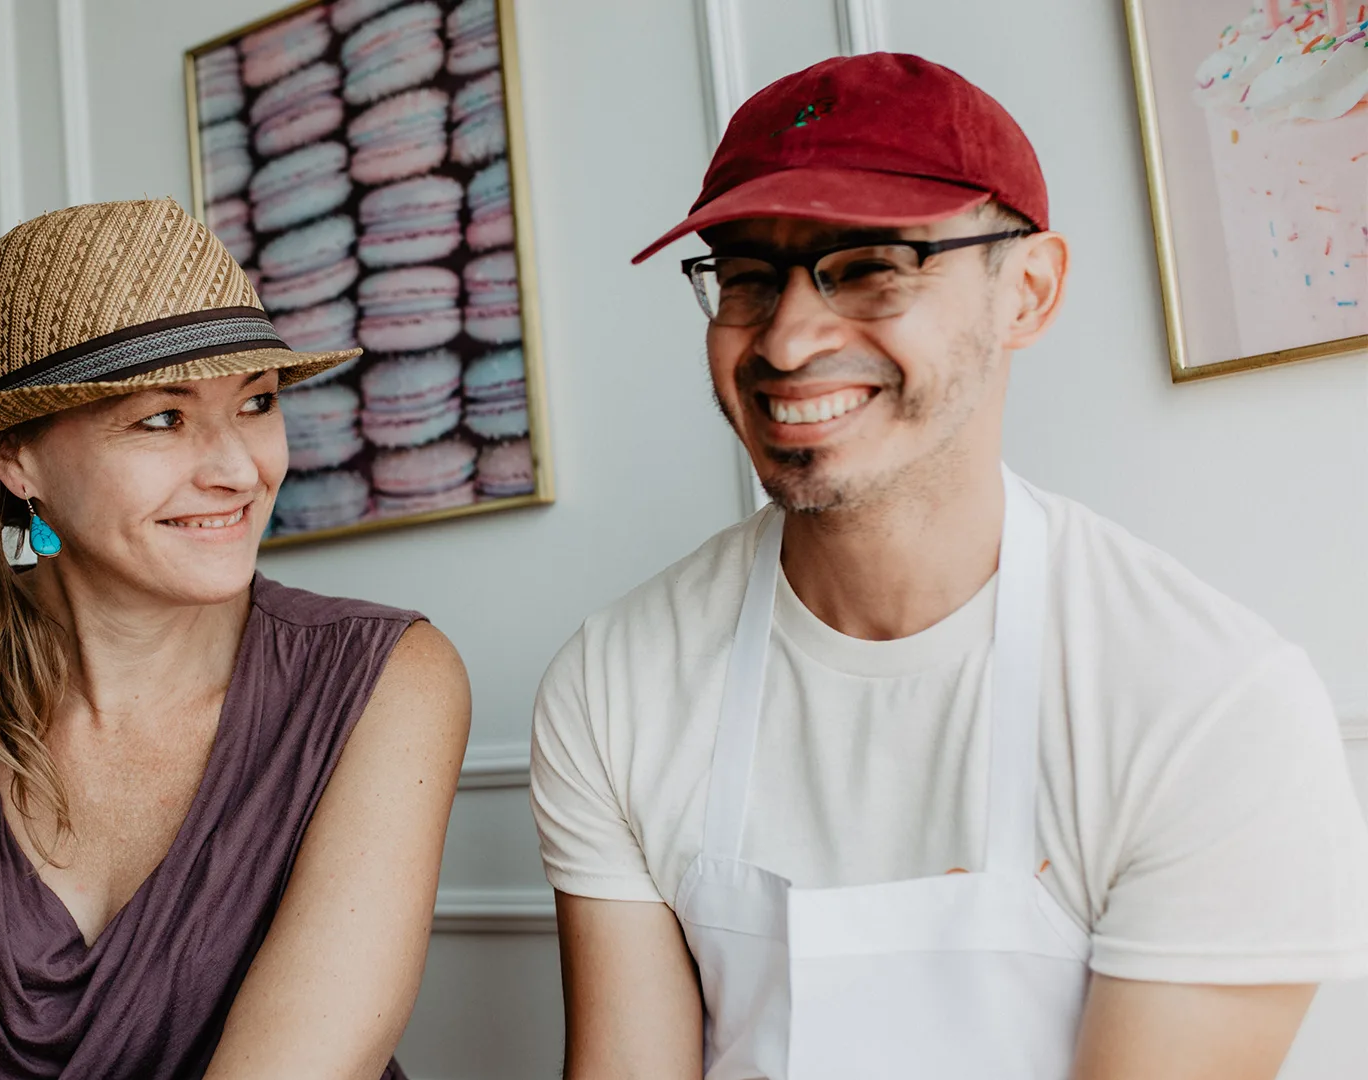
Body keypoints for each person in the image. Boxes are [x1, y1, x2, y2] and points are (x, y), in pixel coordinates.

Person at [530, 52, 1368, 1080]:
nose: (788, 339)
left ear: (1027, 289)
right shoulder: (614, 682)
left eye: (872, 265)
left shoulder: (1207, 705)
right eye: (748, 277)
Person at [0, 198, 471, 1080]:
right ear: (18, 460)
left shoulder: (384, 679)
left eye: (256, 404)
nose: (238, 469)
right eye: (162, 418)